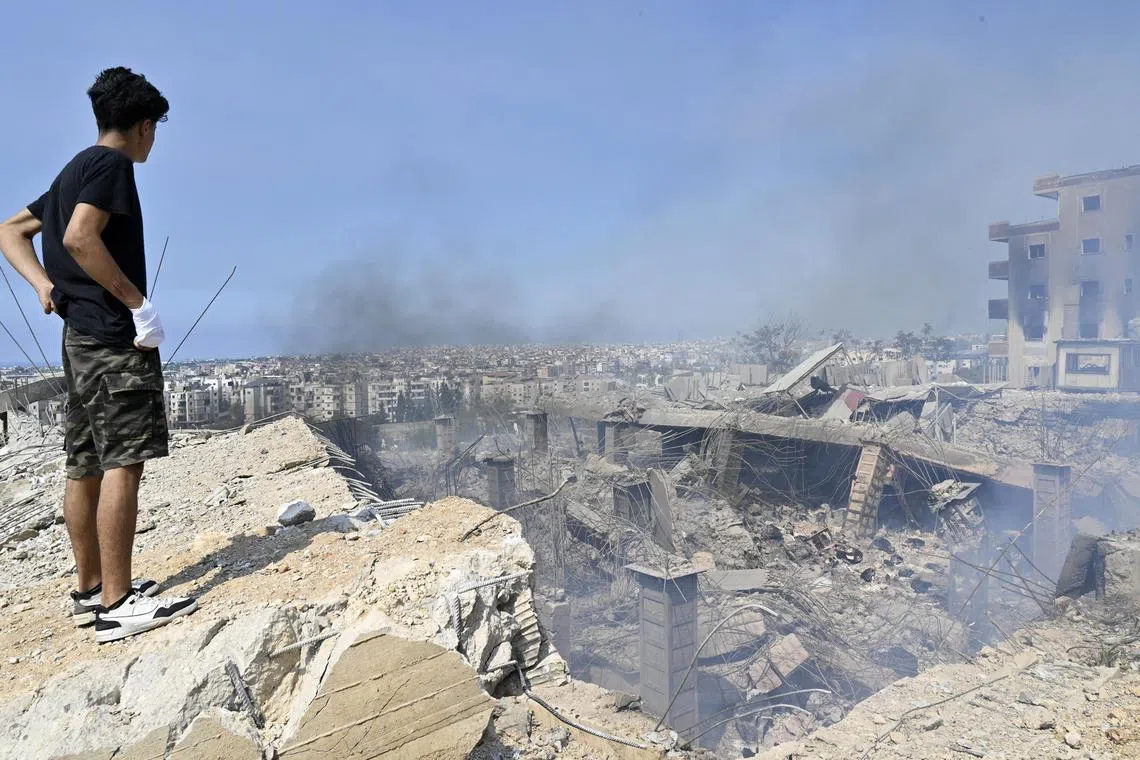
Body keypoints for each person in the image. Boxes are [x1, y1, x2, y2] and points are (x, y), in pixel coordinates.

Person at [0, 67, 197, 643]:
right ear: (142, 126)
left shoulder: (74, 168)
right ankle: (118, 603)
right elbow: (81, 238)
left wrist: (41, 286)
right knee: (123, 462)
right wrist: (137, 303)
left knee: (84, 460)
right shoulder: (110, 167)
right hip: (112, 338)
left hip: (78, 338)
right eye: (154, 129)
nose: (153, 140)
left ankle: (89, 589)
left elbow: (12, 230)